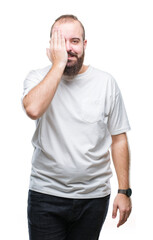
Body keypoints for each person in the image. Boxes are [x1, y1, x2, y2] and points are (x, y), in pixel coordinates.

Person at [22, 14, 132, 240]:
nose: (68, 48)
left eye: (74, 41)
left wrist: (124, 191)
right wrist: (59, 63)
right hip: (46, 195)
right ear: (51, 46)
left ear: (84, 44)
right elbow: (33, 109)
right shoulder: (37, 78)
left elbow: (119, 138)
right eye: (61, 41)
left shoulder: (106, 82)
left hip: (94, 197)